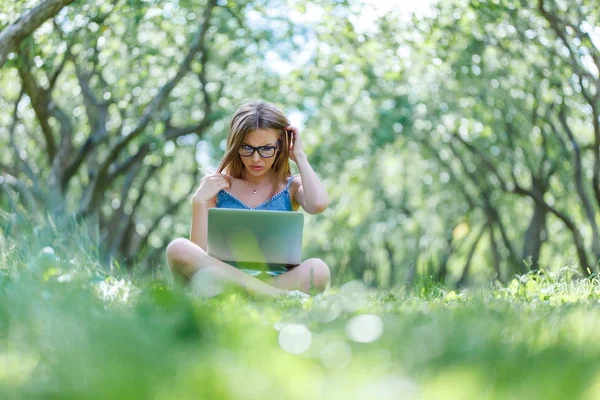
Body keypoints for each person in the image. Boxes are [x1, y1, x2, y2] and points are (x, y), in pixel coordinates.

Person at [166, 100, 330, 298]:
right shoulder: (217, 186)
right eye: (247, 148)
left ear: (281, 146)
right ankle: (272, 296)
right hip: (223, 278)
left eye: (266, 148)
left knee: (318, 269)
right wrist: (198, 201)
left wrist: (300, 156)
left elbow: (318, 204)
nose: (256, 159)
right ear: (236, 146)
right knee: (177, 248)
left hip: (277, 280)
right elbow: (197, 254)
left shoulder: (292, 186)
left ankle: (255, 293)